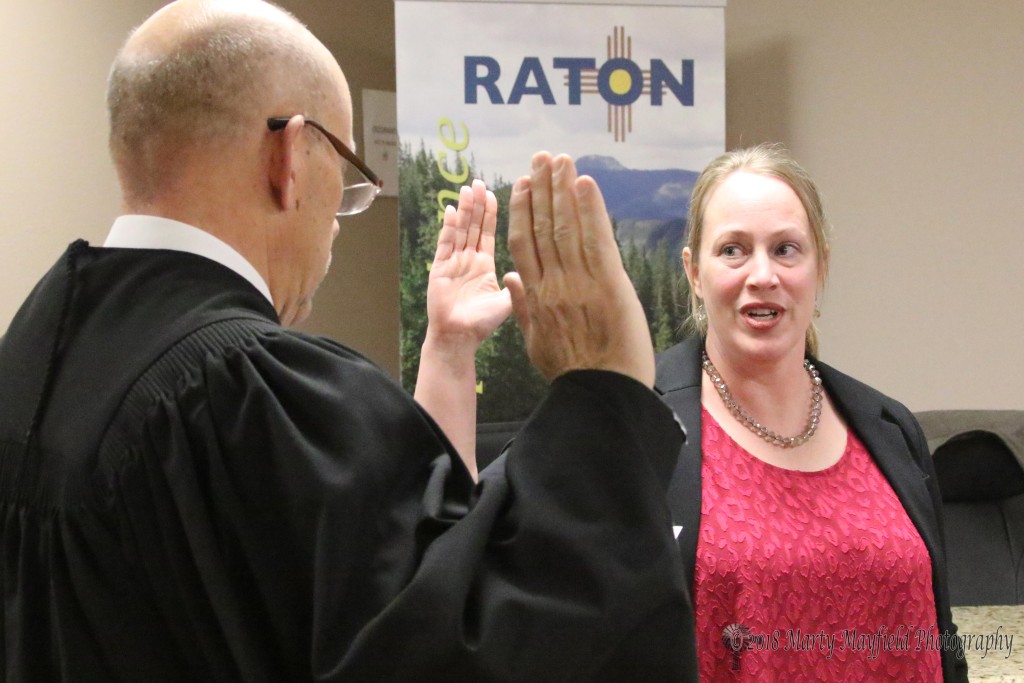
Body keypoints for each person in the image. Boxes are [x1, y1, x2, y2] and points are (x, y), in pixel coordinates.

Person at [0, 1, 692, 680]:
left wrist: (447, 348)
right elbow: (464, 644)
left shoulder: (40, 344)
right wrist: (602, 394)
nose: (336, 223)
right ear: (292, 154)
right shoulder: (248, 392)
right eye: (348, 180)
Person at [655, 143, 968, 680]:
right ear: (693, 272)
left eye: (785, 249)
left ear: (819, 264)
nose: (762, 274)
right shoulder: (643, 426)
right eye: (732, 250)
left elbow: (942, 639)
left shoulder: (889, 429)